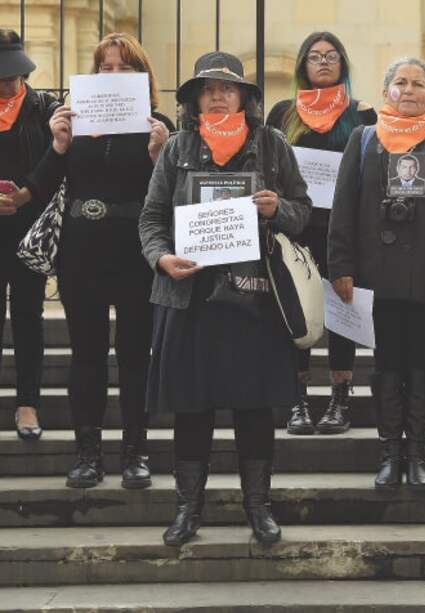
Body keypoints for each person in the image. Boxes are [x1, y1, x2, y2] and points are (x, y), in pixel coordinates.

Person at [140, 51, 310, 546]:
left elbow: (303, 211)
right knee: (191, 409)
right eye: (208, 89)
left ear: (243, 98)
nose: (217, 96)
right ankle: (187, 510)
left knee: (254, 409)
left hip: (255, 300)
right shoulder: (177, 148)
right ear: (194, 100)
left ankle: (258, 508)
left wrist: (278, 209)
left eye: (227, 88)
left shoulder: (272, 144)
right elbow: (151, 218)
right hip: (189, 297)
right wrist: (161, 258)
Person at [328, 56, 425, 490]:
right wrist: (340, 266)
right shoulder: (363, 139)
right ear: (386, 93)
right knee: (385, 362)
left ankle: (416, 452)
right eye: (401, 82)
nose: (409, 90)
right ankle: (389, 452)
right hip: (376, 274)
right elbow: (343, 207)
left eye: (418, 84)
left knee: (420, 362)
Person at [31, 33, 172, 487]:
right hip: (82, 253)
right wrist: (57, 145)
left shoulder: (158, 125)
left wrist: (159, 155)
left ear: (142, 75)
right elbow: (42, 185)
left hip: (136, 253)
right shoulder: (72, 121)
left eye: (124, 67)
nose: (113, 74)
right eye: (105, 67)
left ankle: (135, 452)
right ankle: (88, 454)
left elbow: (172, 197)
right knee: (86, 355)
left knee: (135, 355)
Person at [267, 32, 376, 436]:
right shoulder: (283, 113)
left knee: (342, 314)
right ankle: (297, 400)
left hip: (344, 230)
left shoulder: (362, 115)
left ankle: (339, 400)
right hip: (295, 227)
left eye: (332, 56)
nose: (324, 62)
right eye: (315, 56)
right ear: (303, 66)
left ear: (342, 64)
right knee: (296, 309)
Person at [0, 29, 59, 441]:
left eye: (12, 76)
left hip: (29, 231)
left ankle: (27, 404)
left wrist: (27, 193)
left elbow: (57, 160)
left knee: (27, 315)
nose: (7, 85)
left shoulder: (44, 108)